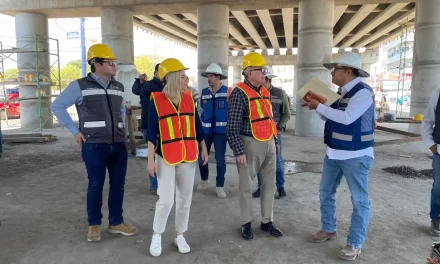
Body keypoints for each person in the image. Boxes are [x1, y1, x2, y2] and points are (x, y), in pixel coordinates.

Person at [51, 43, 137, 242]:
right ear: (97, 64)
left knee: (118, 185)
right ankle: (94, 225)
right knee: (96, 185)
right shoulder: (79, 85)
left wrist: (121, 129)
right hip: (94, 145)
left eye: (114, 62)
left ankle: (116, 222)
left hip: (117, 143)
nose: (115, 65)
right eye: (110, 62)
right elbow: (58, 106)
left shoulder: (118, 86)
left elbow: (121, 111)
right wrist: (75, 131)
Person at [302, 51, 375, 261]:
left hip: (356, 155)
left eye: (336, 69)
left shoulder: (363, 93)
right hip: (334, 152)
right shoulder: (341, 93)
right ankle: (328, 229)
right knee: (326, 192)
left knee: (359, 200)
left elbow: (347, 118)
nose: (332, 73)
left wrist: (321, 105)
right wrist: (315, 106)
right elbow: (329, 116)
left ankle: (355, 242)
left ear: (349, 71)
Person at [146, 58, 209, 257]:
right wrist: (150, 160)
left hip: (189, 156)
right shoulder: (156, 100)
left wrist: (204, 147)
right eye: (183, 77)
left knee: (185, 199)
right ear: (172, 78)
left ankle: (179, 234)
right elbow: (151, 133)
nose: (186, 80)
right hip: (165, 156)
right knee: (165, 200)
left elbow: (197, 126)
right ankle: (157, 234)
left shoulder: (189, 98)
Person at [226, 52, 283, 240]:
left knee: (269, 184)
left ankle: (267, 221)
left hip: (268, 143)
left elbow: (270, 119)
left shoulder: (265, 91)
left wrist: (274, 141)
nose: (263, 72)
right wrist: (238, 150)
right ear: (249, 72)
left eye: (263, 69)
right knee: (246, 187)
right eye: (260, 69)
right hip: (249, 144)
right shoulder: (239, 93)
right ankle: (246, 223)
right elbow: (232, 126)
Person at [253, 65, 290, 199]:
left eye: (263, 79)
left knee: (277, 162)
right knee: (260, 162)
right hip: (259, 133)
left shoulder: (280, 94)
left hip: (275, 133)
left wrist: (279, 127)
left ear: (268, 80)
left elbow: (286, 114)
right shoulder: (255, 93)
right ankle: (261, 187)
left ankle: (280, 186)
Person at [197, 63, 229, 198]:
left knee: (220, 160)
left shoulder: (228, 92)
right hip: (205, 132)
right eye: (207, 76)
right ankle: (204, 180)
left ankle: (219, 186)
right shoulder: (203, 93)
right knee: (202, 158)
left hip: (221, 133)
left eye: (210, 76)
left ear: (218, 77)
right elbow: (199, 110)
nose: (208, 78)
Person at [132, 63, 163, 194]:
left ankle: (163, 184)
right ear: (156, 72)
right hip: (149, 126)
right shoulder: (149, 85)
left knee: (163, 158)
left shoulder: (168, 86)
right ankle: (155, 185)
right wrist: (140, 81)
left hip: (165, 127)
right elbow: (137, 91)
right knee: (154, 157)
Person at [421, 85, 440, 237]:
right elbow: (427, 121)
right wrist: (431, 144)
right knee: (439, 188)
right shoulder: (438, 93)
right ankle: (436, 219)